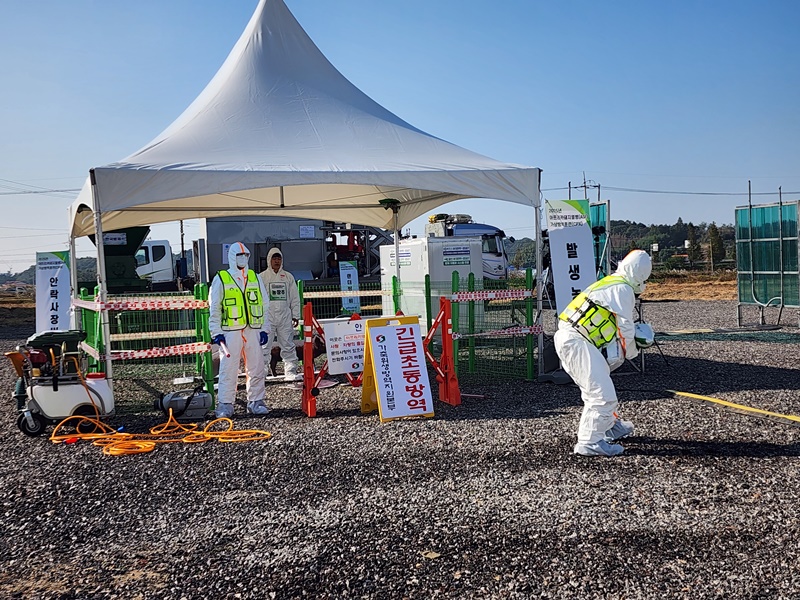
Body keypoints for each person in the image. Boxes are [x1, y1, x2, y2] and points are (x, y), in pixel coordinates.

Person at [554, 249, 652, 457]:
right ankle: (589, 442)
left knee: (598, 388)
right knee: (601, 395)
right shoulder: (623, 290)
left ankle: (609, 426)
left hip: (575, 339)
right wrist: (633, 350)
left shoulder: (611, 282)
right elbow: (625, 329)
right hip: (577, 341)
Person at [209, 242, 271, 418]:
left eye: (246, 255)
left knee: (257, 366)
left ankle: (256, 401)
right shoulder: (221, 278)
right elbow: (215, 307)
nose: (243, 259)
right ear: (232, 257)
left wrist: (264, 328)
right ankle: (225, 404)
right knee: (228, 368)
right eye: (239, 255)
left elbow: (264, 304)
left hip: (253, 330)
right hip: (231, 331)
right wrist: (216, 332)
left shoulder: (255, 277)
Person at [259, 248, 302, 381]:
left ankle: (290, 372)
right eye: (274, 258)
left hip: (285, 317)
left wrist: (295, 315)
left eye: (279, 259)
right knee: (264, 346)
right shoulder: (262, 277)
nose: (277, 261)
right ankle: (261, 373)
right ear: (269, 260)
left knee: (288, 345)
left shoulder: (288, 277)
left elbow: (294, 297)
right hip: (267, 317)